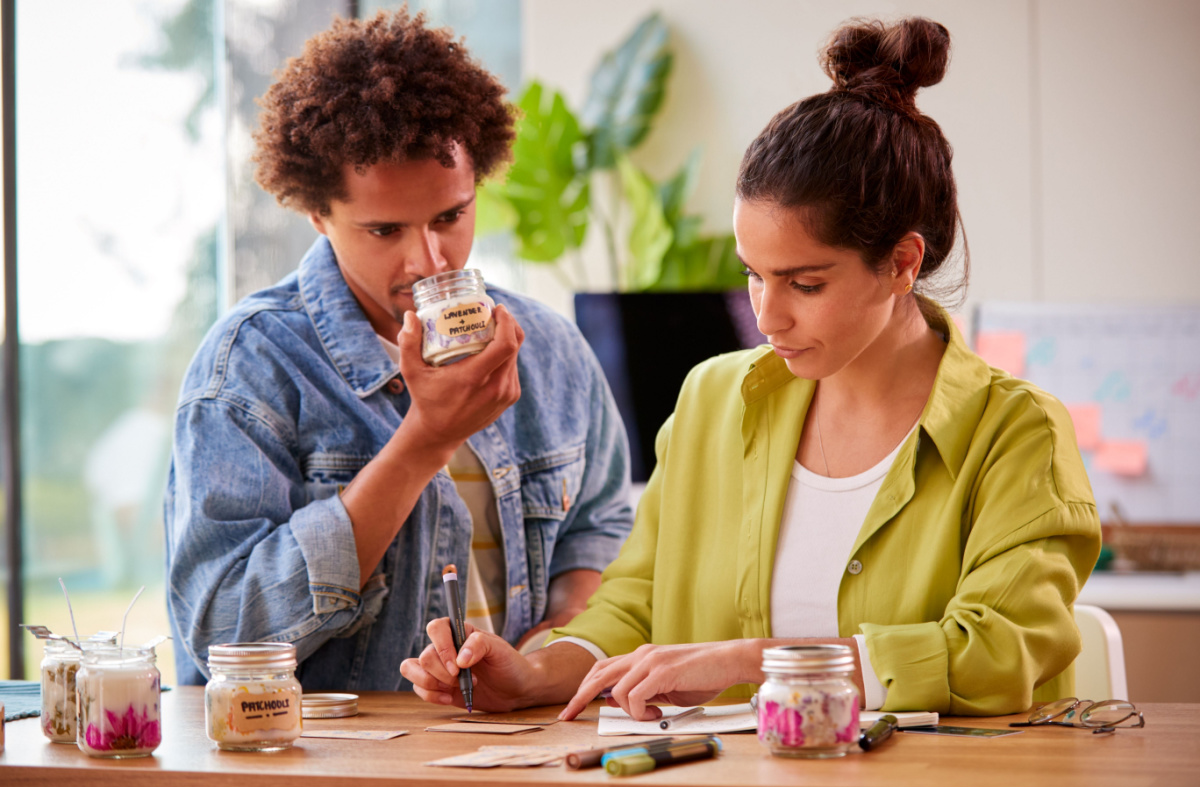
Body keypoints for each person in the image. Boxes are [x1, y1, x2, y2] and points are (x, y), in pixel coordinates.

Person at [401, 16, 1102, 719]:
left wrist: (754, 660)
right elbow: (636, 603)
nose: (767, 318)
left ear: (902, 263)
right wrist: (536, 673)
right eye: (754, 276)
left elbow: (997, 649)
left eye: (805, 284)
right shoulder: (715, 398)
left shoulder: (1017, 433)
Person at [164, 10, 633, 689]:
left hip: (518, 754)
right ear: (317, 214)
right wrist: (423, 442)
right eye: (385, 229)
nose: (429, 260)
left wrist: (543, 649)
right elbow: (225, 636)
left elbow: (601, 536)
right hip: (329, 772)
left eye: (451, 216)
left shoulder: (549, 348)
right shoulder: (252, 366)